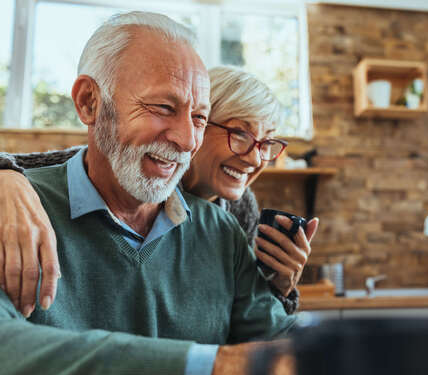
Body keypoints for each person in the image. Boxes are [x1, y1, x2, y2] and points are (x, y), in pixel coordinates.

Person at [0, 11, 298, 375]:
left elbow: (280, 342)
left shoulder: (224, 229)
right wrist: (209, 370)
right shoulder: (14, 213)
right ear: (90, 103)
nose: (188, 139)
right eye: (163, 108)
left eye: (200, 117)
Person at [0, 66, 318, 317]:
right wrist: (7, 178)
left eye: (266, 143)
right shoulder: (132, 170)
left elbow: (246, 322)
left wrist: (281, 288)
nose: (253, 157)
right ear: (197, 123)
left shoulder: (240, 209)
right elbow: (37, 166)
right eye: (240, 133)